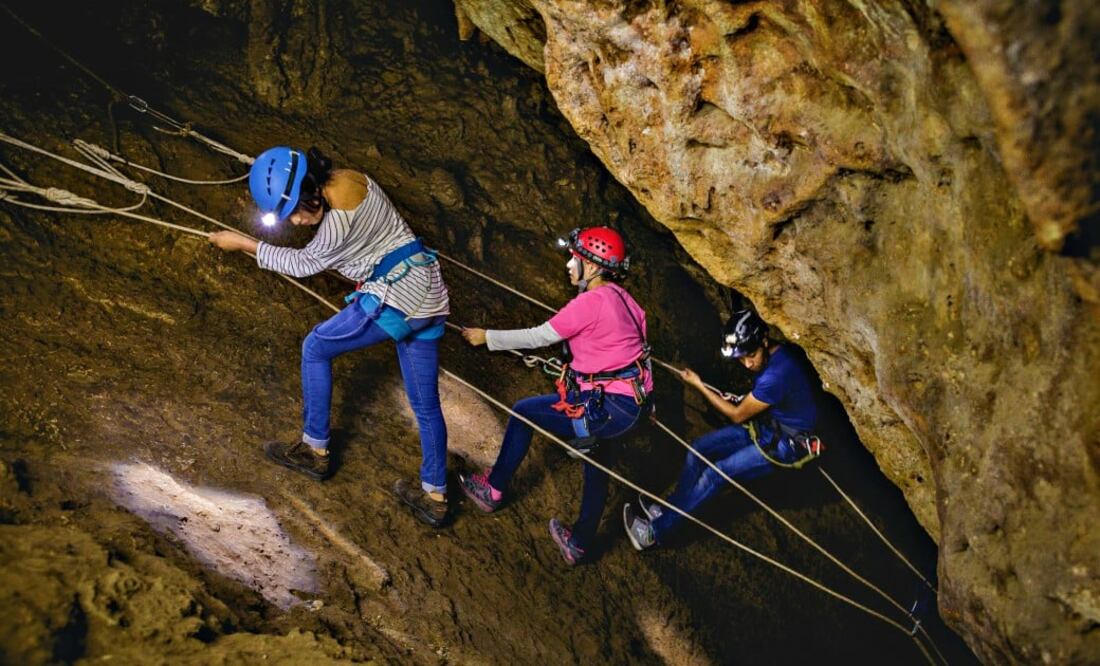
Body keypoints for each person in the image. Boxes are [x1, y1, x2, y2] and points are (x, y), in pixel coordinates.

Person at [208, 146, 452, 527]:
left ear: (311, 194)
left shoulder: (334, 227)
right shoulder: (351, 178)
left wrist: (242, 243)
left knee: (315, 348)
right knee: (425, 404)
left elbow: (302, 264)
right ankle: (435, 494)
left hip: (396, 296)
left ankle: (314, 450)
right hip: (430, 293)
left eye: (298, 214)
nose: (300, 223)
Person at [459, 227, 653, 565]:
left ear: (592, 267)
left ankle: (492, 489)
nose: (568, 264)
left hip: (607, 407)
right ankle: (578, 543)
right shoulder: (627, 300)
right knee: (597, 463)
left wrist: (486, 337)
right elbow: (641, 356)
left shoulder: (590, 302)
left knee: (522, 413)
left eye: (575, 258)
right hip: (630, 406)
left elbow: (539, 337)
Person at [623, 309, 821, 549]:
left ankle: (654, 534)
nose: (748, 364)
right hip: (768, 427)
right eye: (742, 358)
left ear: (764, 341)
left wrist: (698, 385)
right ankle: (668, 510)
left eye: (751, 355)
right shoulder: (776, 355)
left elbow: (737, 415)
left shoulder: (776, 375)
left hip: (785, 445)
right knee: (698, 449)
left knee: (715, 474)